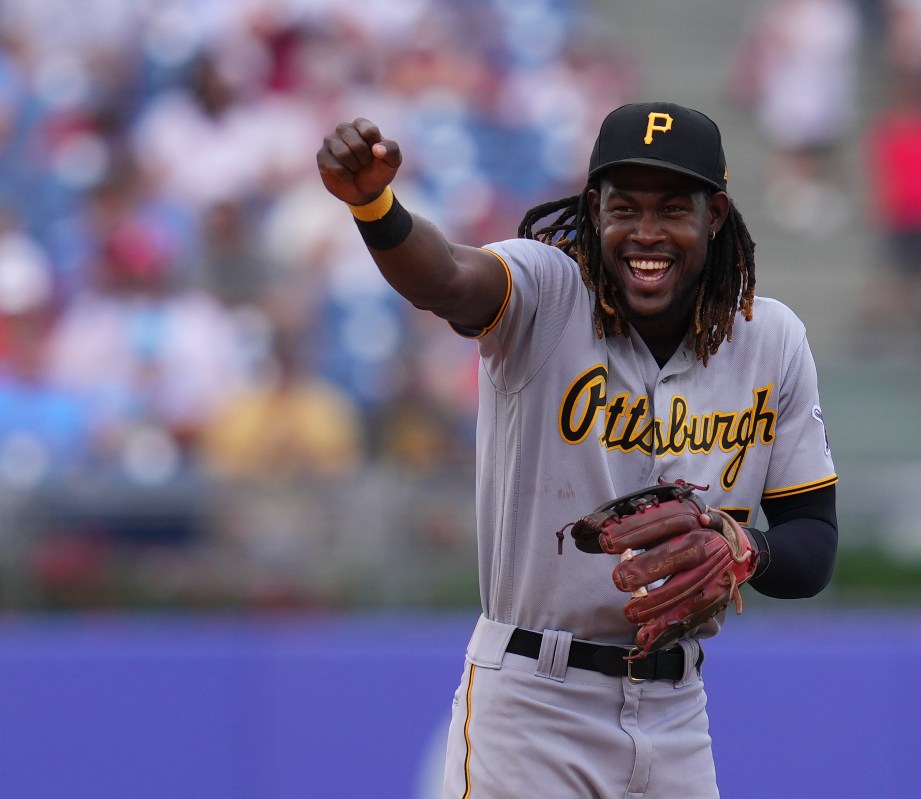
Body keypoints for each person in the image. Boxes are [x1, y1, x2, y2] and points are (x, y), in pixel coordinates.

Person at [316, 101, 839, 798]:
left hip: (676, 710)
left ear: (714, 217)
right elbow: (445, 278)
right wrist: (377, 207)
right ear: (593, 209)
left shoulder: (769, 339)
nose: (645, 232)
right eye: (625, 207)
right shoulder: (545, 292)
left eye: (672, 209)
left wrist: (748, 548)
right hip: (534, 701)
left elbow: (814, 543)